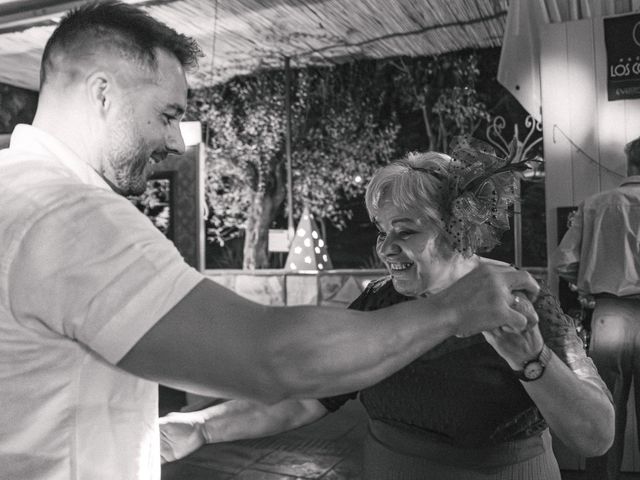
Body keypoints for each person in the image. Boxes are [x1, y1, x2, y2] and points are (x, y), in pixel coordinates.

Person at [0, 3, 541, 480]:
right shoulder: (70, 214)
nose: (172, 142)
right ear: (101, 91)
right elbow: (274, 359)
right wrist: (453, 311)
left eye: (407, 230)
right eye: (168, 115)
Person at [160, 140, 614, 479]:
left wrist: (532, 361)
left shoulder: (522, 301)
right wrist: (202, 427)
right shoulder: (378, 301)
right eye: (381, 231)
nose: (386, 248)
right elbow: (312, 395)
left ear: (459, 230)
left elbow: (595, 435)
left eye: (406, 231)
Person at [552, 136, 640, 480]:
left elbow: (564, 261)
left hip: (610, 314)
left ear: (628, 162)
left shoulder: (596, 203)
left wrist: (585, 287)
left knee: (608, 405)